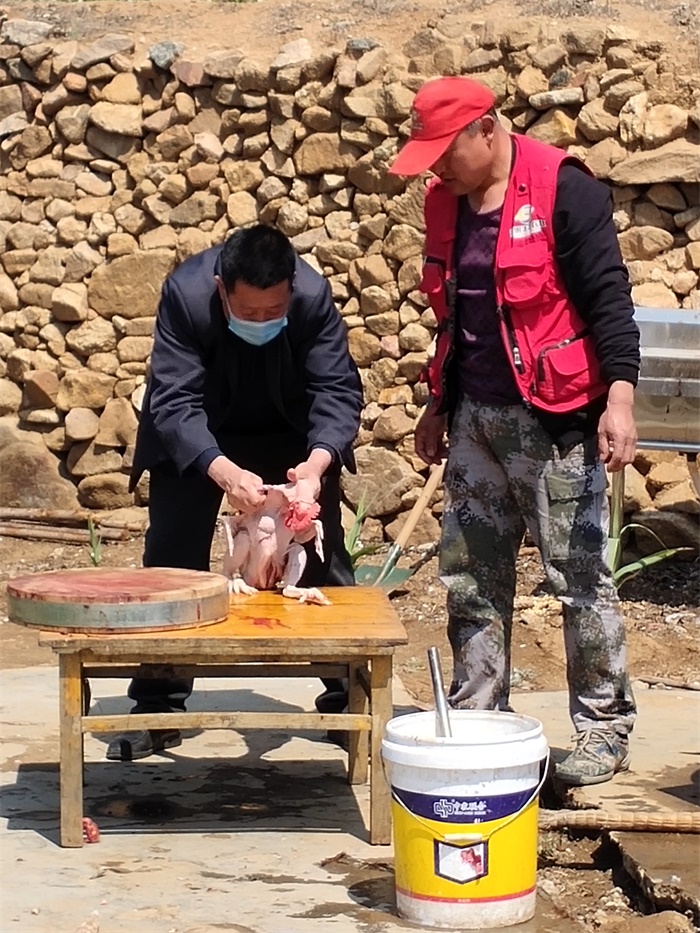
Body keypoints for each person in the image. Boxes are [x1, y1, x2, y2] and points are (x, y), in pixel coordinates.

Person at [389, 77, 640, 786]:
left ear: (487, 129)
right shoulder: (444, 202)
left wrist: (619, 400)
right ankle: (478, 714)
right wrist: (439, 403)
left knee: (578, 577)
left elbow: (610, 301)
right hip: (476, 418)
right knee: (470, 576)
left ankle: (603, 727)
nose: (439, 169)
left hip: (556, 419)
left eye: (447, 152)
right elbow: (455, 314)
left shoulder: (565, 191)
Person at [106, 224, 363, 761]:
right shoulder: (185, 293)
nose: (263, 321)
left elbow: (336, 391)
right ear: (222, 289)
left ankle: (348, 700)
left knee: (324, 554)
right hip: (199, 435)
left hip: (291, 431)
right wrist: (222, 471)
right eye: (249, 312)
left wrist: (316, 467)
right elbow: (174, 401)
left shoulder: (313, 296)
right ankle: (158, 705)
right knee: (172, 558)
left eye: (275, 311)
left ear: (291, 288)